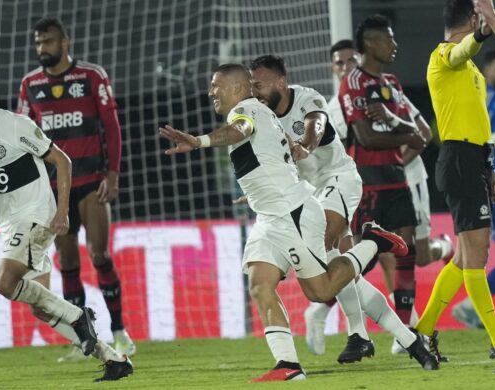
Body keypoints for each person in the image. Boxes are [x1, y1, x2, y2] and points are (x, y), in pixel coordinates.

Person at [160, 63, 437, 381]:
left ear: (238, 89)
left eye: (215, 85)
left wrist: (199, 141)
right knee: (260, 283)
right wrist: (255, 194)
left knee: (321, 289)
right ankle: (290, 365)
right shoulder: (264, 113)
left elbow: (246, 129)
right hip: (273, 214)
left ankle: (374, 244)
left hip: (304, 204)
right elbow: (270, 162)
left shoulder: (248, 109)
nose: (210, 92)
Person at [250, 54, 440, 368]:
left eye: (258, 84)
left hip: (338, 179)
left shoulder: (306, 98)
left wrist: (306, 145)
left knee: (323, 247)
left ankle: (373, 257)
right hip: (305, 193)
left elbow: (316, 123)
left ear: (280, 82)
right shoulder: (262, 117)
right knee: (335, 271)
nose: (253, 90)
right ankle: (393, 335)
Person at [0, 67, 132, 382]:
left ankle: (79, 315)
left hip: (38, 212)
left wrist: (61, 211)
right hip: (9, 222)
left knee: (3, 282)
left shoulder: (16, 124)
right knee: (42, 308)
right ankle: (114, 359)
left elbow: (62, 160)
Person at [16, 17, 135, 361]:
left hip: (91, 182)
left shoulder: (91, 76)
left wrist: (112, 174)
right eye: (38, 43)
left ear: (66, 42)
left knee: (99, 255)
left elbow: (111, 126)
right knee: (67, 262)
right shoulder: (30, 84)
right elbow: (24, 136)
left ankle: (119, 331)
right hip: (54, 190)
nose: (43, 49)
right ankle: (85, 340)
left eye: (49, 42)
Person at [413, 0, 495, 362]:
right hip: (459, 160)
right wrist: (484, 29)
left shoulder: (471, 71)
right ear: (474, 18)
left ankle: (423, 331)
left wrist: (489, 164)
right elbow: (462, 48)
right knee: (477, 258)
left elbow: (476, 119)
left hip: (474, 160)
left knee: (465, 259)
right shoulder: (443, 55)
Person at [339, 15, 426, 336]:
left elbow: (419, 136)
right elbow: (365, 138)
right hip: (367, 182)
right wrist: (400, 129)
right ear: (371, 44)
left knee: (408, 255)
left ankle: (404, 330)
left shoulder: (392, 84)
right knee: (365, 261)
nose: (394, 44)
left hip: (397, 180)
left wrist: (391, 120)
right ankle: (327, 316)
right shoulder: (353, 84)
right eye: (388, 39)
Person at [452, 49, 495, 329]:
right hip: (492, 186)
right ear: (488, 70)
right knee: (468, 255)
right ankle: (471, 306)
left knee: (467, 255)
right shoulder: (487, 101)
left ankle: (474, 308)